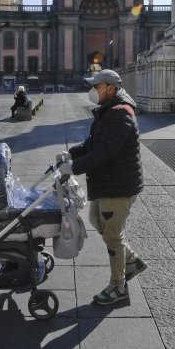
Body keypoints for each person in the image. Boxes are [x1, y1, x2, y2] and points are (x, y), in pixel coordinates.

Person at [58, 69, 147, 305]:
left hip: (118, 186)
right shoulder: (108, 111)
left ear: (111, 88)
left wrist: (74, 167)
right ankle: (132, 261)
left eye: (97, 87)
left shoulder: (119, 114)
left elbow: (106, 152)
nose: (94, 91)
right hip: (108, 182)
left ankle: (118, 287)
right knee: (97, 221)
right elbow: (94, 143)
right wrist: (71, 153)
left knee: (112, 236)